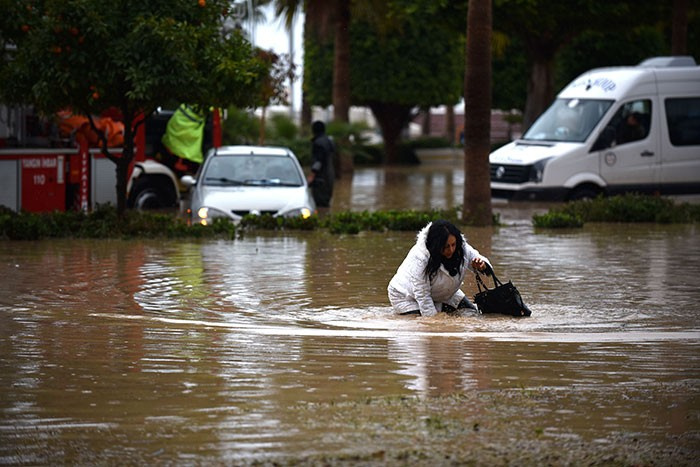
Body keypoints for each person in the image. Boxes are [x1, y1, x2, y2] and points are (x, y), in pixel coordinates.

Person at [387, 220, 491, 317]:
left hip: (443, 293)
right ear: (436, 245)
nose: (451, 250)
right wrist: (435, 323)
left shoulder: (461, 247)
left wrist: (482, 265)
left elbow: (477, 258)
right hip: (406, 296)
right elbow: (422, 295)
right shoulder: (421, 257)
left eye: (453, 245)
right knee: (430, 322)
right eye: (446, 246)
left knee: (473, 313)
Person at [307, 120, 335, 208]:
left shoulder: (318, 143)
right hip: (330, 177)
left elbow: (318, 161)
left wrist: (312, 175)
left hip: (320, 179)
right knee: (326, 203)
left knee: (319, 204)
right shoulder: (330, 141)